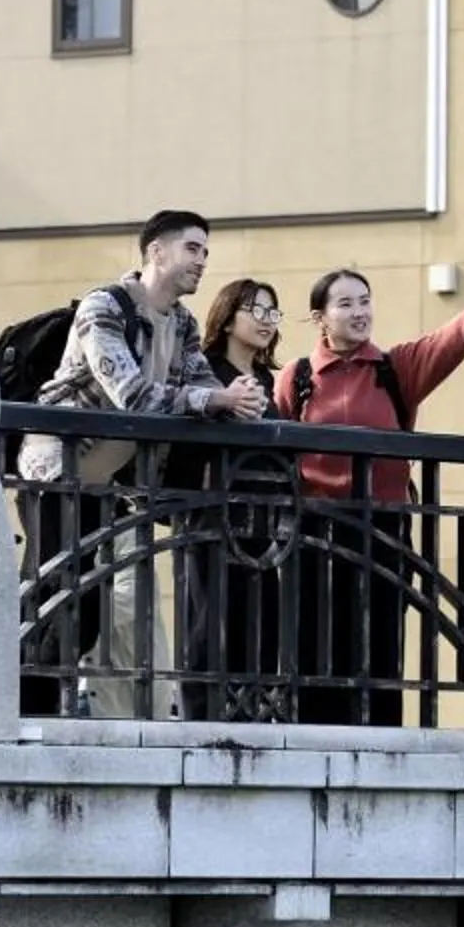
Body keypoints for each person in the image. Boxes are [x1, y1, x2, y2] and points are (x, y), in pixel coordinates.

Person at [14, 210, 264, 717]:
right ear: (156, 252)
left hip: (106, 484)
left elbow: (203, 385)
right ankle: (25, 714)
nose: (202, 262)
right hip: (56, 472)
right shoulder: (102, 308)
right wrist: (214, 402)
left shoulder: (182, 322)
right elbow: (130, 395)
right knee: (56, 598)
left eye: (205, 252)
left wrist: (239, 399)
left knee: (85, 610)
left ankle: (40, 710)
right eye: (193, 249)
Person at [274, 267, 464, 726]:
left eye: (364, 301)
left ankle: (381, 730)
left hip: (383, 525)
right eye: (345, 304)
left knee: (381, 633)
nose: (359, 312)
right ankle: (312, 728)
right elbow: (275, 447)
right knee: (315, 635)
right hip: (314, 526)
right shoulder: (298, 376)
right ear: (319, 317)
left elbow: (438, 347)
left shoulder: (393, 368)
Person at [176, 278, 287, 721]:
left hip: (263, 522)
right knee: (209, 625)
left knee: (260, 626)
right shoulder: (204, 371)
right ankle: (204, 721)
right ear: (227, 318)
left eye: (272, 313)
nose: (265, 321)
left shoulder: (266, 380)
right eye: (255, 310)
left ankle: (255, 718)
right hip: (210, 519)